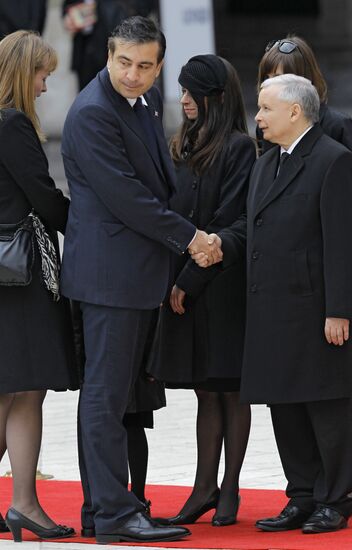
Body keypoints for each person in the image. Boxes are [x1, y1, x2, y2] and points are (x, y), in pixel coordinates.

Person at [60, 15, 221, 544]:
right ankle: (111, 515)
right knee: (105, 399)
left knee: (116, 398)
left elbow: (161, 182)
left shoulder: (144, 103)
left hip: (134, 276)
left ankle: (104, 508)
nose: (133, 74)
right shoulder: (90, 113)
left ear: (159, 66)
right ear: (108, 54)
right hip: (109, 279)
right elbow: (128, 198)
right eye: (124, 62)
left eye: (145, 66)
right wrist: (192, 239)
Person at [194, 73, 352, 534]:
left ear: (295, 111)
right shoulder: (266, 164)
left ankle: (335, 497)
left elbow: (341, 243)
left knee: (326, 406)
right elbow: (250, 227)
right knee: (284, 406)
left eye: (264, 108)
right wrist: (219, 243)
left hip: (315, 309)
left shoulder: (333, 160)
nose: (257, 116)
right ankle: (301, 494)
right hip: (271, 310)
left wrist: (339, 309)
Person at [150, 55, 256, 527]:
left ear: (215, 97)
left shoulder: (238, 148)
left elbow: (228, 222)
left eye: (192, 92)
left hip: (223, 289)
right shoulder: (184, 143)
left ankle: (230, 487)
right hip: (188, 288)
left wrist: (187, 282)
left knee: (229, 389)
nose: (184, 99)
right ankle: (203, 486)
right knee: (203, 391)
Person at [0, 30, 77, 542]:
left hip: (10, 273)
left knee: (19, 391)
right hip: (19, 276)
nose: (46, 84)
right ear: (20, 74)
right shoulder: (11, 124)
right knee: (18, 391)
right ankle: (24, 503)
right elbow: (44, 198)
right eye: (42, 73)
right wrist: (96, 229)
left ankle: (24, 503)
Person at [256, 35, 352, 153]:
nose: (270, 84)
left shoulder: (336, 126)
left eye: (278, 78)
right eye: (267, 78)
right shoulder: (265, 127)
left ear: (303, 79)